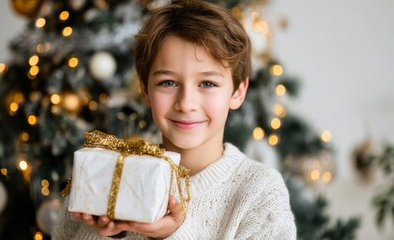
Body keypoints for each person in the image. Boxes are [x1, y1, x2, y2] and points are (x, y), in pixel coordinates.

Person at [53, 0, 296, 239]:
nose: (186, 103)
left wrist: (173, 235)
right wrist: (108, 235)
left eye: (207, 83)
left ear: (238, 92)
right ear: (145, 89)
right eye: (168, 83)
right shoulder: (104, 174)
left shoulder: (260, 192)